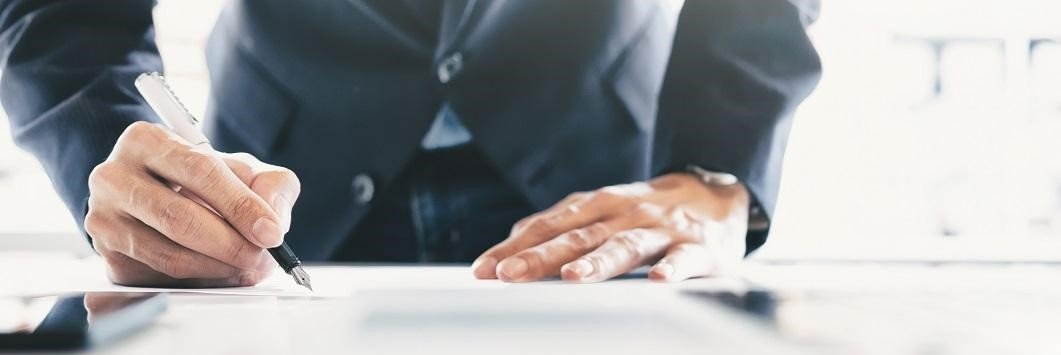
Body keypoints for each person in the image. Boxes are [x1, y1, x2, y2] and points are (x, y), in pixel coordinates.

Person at [0, 0, 820, 287]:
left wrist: (715, 169)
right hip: (272, 185)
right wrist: (121, 162)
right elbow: (67, 16)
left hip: (597, 188)